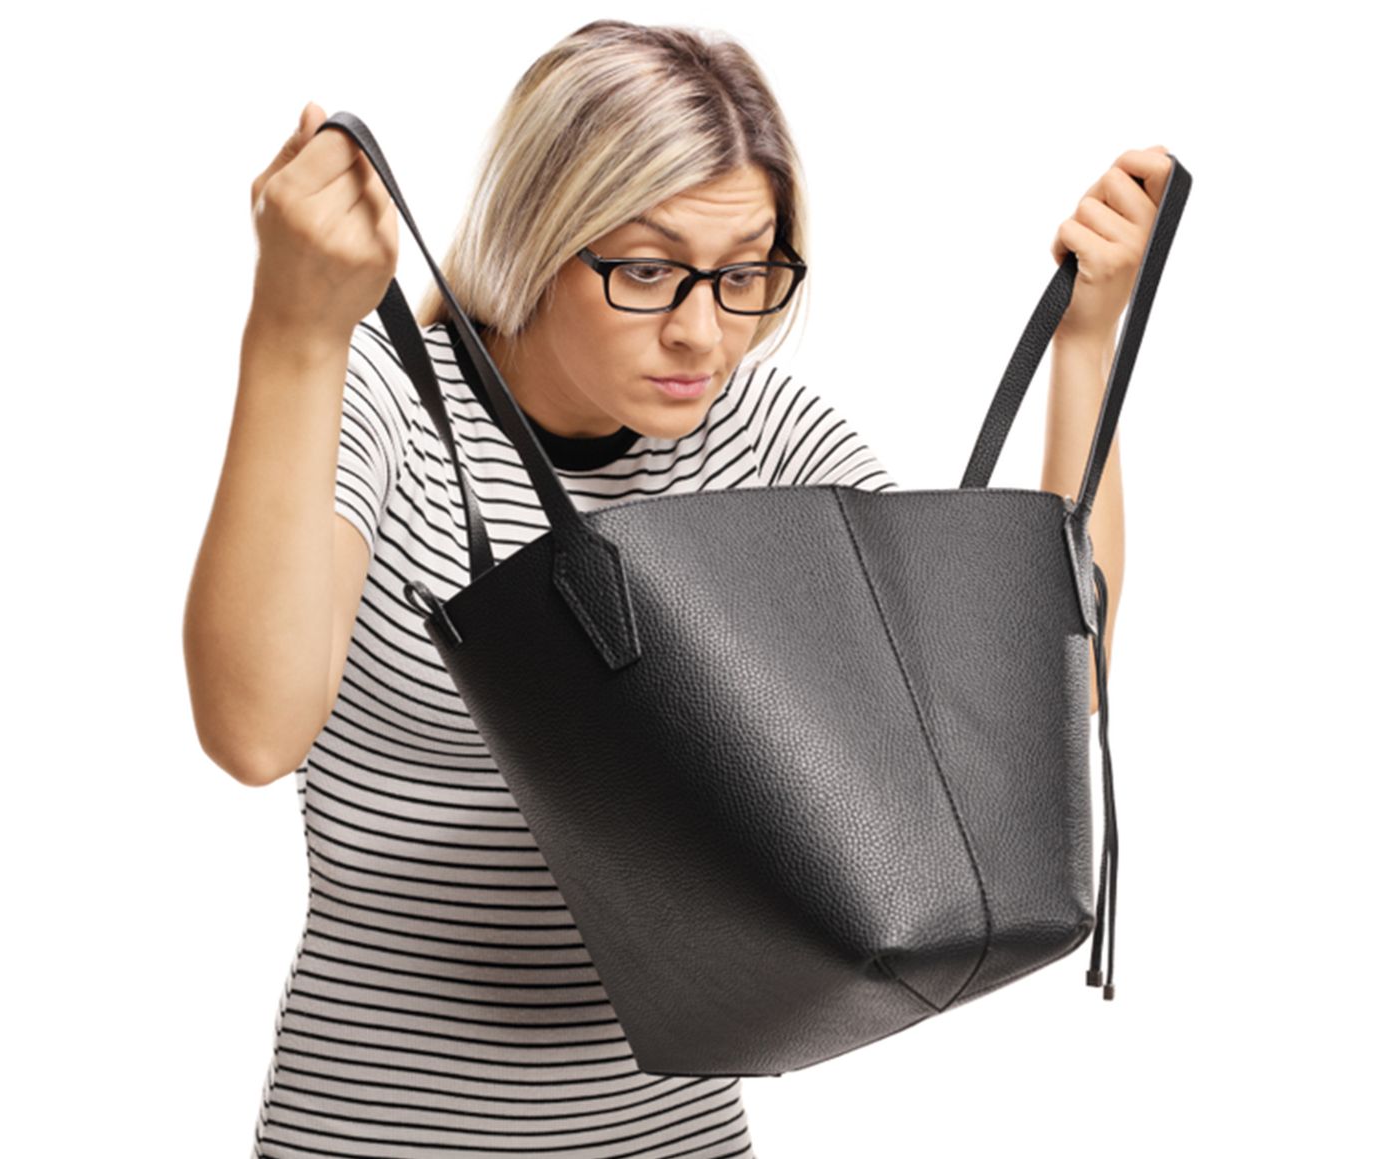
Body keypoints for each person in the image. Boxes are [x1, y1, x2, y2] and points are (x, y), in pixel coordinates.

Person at [184, 19, 1155, 1158]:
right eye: (647, 270)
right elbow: (252, 731)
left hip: (678, 1137)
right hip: (376, 1132)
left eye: (744, 273)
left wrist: (1086, 348)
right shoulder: (384, 409)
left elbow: (1039, 691)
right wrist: (294, 333)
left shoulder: (757, 431)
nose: (704, 332)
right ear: (538, 233)